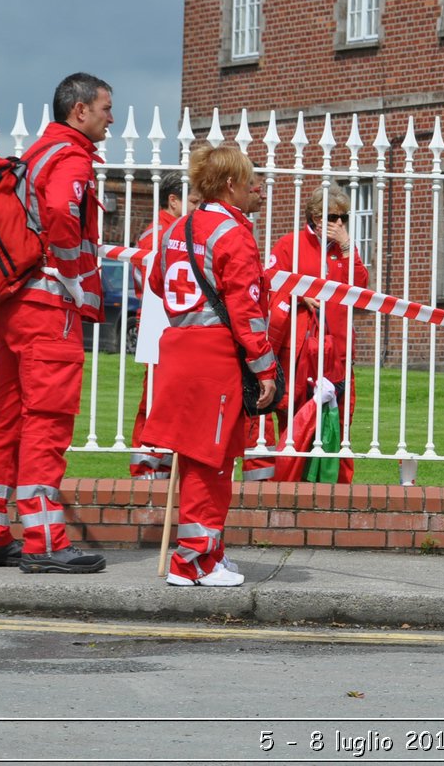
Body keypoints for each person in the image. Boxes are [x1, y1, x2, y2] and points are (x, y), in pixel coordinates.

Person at [0, 72, 113, 574]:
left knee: (6, 419)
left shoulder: (35, 154)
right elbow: (60, 213)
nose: (110, 118)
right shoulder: (71, 158)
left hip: (14, 306)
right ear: (80, 112)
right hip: (50, 310)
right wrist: (74, 276)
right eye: (106, 108)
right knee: (46, 421)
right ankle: (45, 540)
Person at [141, 146, 279, 587]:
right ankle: (195, 562)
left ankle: (209, 551)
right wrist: (264, 367)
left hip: (179, 347)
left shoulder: (176, 227)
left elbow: (158, 282)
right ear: (229, 185)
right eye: (249, 178)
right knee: (211, 462)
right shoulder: (232, 233)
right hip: (214, 356)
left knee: (199, 458)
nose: (256, 186)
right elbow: (247, 309)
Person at [265, 187, 370, 483]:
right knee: (295, 413)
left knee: (339, 417)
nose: (338, 223)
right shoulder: (291, 244)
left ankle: (330, 482)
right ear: (315, 216)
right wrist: (300, 295)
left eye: (343, 217)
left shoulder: (343, 251)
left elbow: (360, 290)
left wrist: (348, 246)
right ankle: (289, 479)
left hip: (337, 347)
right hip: (299, 348)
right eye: (332, 217)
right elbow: (269, 285)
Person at [128, 172, 187, 479]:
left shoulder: (172, 230)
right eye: (193, 200)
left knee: (169, 399)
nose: (197, 207)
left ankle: (160, 462)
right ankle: (146, 467)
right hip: (158, 326)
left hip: (171, 326)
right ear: (173, 200)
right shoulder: (158, 234)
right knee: (155, 398)